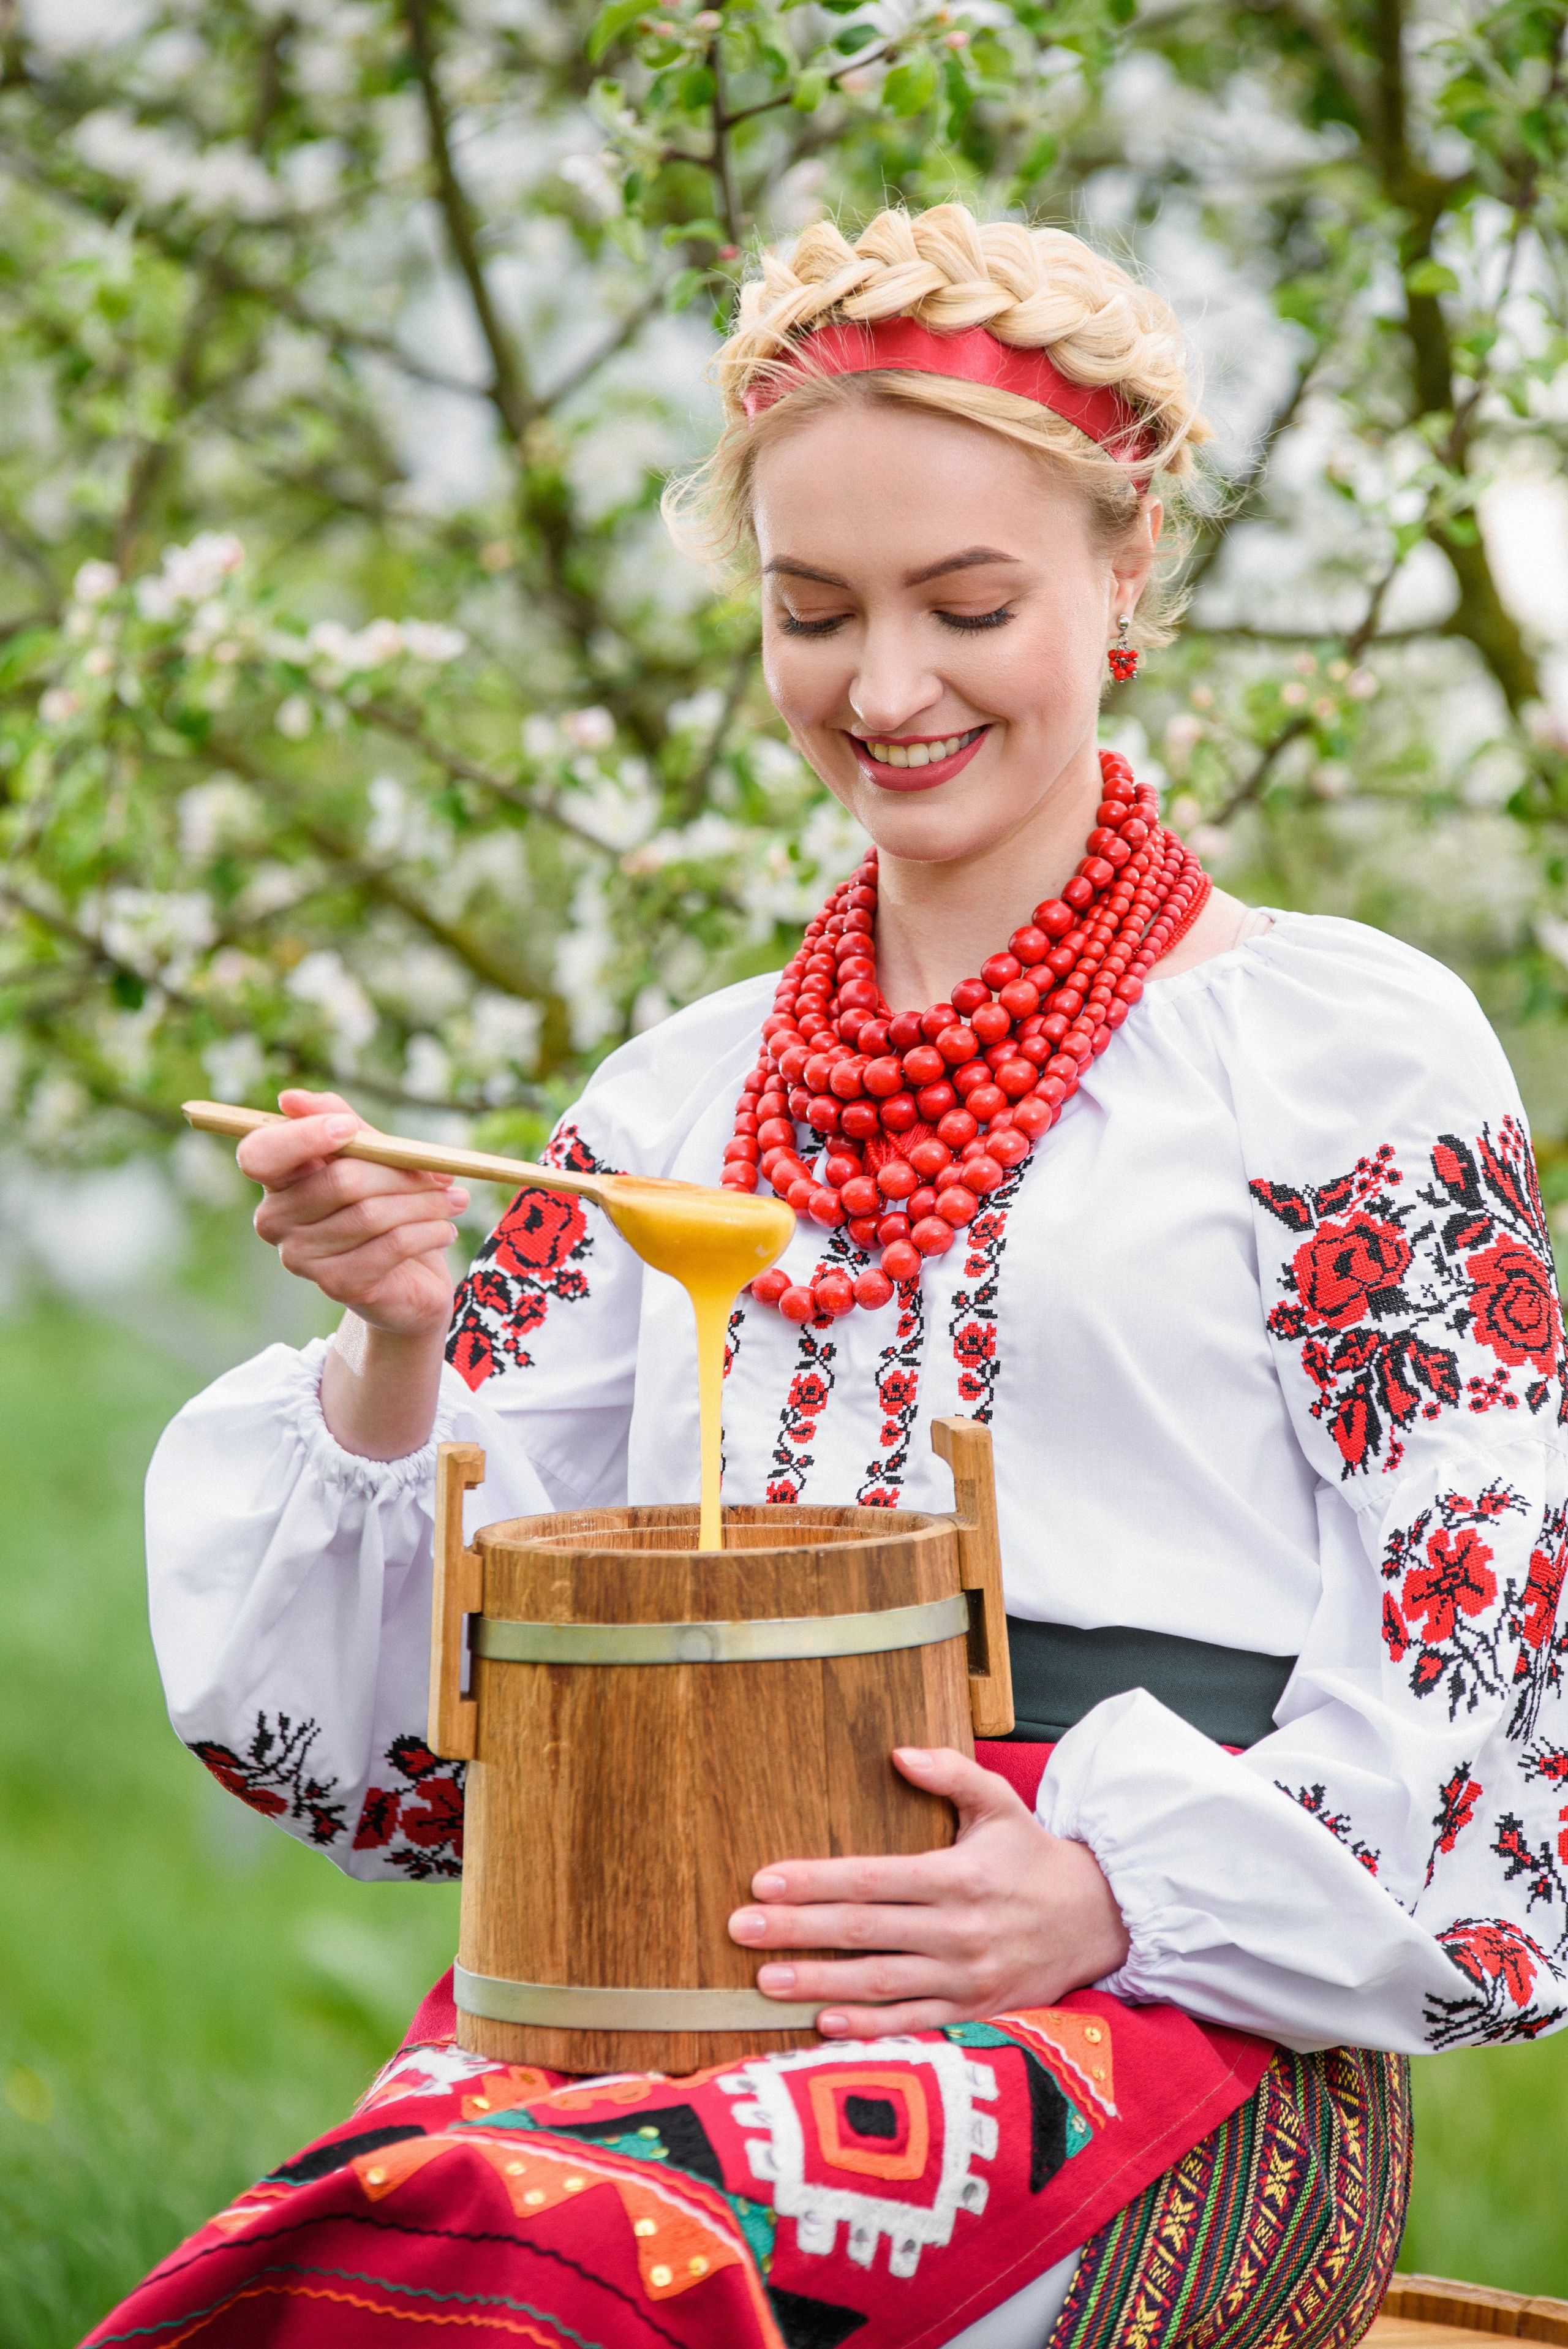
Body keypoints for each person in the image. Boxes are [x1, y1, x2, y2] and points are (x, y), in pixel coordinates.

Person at [89, 204, 1567, 2349]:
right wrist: (395, 1340)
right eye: (814, 612)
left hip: (1170, 1998)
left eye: (968, 605)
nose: (885, 689)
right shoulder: (679, 1098)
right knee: (357, 2261)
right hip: (663, 1955)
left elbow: (1483, 1637)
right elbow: (428, 1741)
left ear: (1128, 568)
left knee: (595, 2263)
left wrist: (1111, 1887)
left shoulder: (1338, 1056)